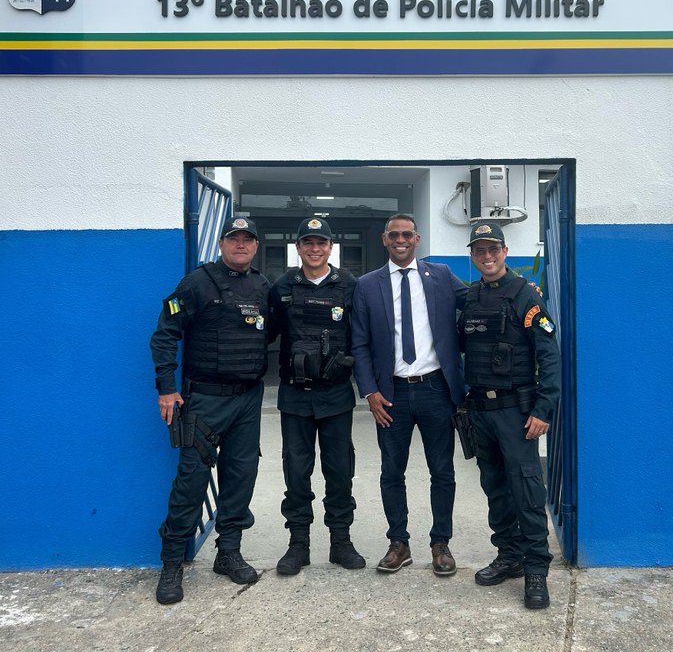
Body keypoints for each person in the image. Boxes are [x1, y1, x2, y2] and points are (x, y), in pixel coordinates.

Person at [150, 216, 270, 605]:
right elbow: (165, 333)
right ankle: (171, 563)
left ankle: (228, 551)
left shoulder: (263, 287)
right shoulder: (196, 283)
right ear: (221, 244)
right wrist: (166, 388)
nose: (240, 244)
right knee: (192, 478)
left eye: (247, 239)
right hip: (204, 399)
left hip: (248, 399)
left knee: (241, 475)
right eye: (233, 238)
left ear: (255, 246)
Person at [351, 213, 467, 576]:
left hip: (436, 389)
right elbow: (359, 342)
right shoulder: (367, 285)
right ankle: (398, 543)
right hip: (391, 395)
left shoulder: (442, 276)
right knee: (391, 471)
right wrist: (369, 390)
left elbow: (481, 298)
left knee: (442, 471)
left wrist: (523, 287)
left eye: (407, 234)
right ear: (384, 240)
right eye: (393, 235)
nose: (400, 240)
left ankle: (440, 543)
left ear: (417, 239)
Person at [459, 221, 561, 610]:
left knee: (527, 491)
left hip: (517, 413)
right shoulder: (469, 297)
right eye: (479, 251)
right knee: (495, 488)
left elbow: (548, 356)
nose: (486, 257)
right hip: (480, 412)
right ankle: (509, 554)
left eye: (493, 249)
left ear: (504, 252)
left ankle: (536, 569)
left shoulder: (525, 295)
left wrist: (543, 409)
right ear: (472, 255)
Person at [268, 217, 365, 576]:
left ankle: (341, 541)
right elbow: (264, 333)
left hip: (336, 395)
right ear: (298, 248)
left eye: (321, 243)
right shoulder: (281, 286)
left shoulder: (349, 285)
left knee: (340, 470)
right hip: (295, 396)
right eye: (307, 243)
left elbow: (363, 336)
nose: (314, 249)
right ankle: (298, 544)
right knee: (296, 470)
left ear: (330, 247)